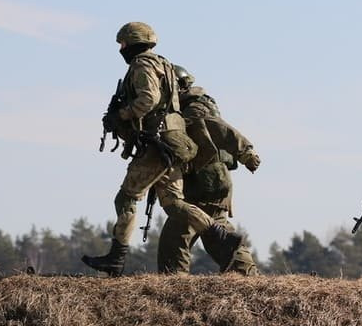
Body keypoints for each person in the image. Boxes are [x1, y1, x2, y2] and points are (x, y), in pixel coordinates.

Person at [82, 22, 244, 277]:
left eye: (122, 44)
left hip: (158, 144)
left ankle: (116, 257)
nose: (121, 49)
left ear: (133, 42)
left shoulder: (142, 64)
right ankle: (221, 237)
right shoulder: (164, 64)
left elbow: (149, 99)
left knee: (126, 198)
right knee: (174, 204)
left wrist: (122, 114)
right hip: (174, 142)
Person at [157, 65, 260, 275]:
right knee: (217, 231)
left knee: (176, 236)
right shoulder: (183, 108)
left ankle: (173, 282)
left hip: (206, 182)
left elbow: (220, 128)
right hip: (211, 181)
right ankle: (248, 276)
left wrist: (246, 152)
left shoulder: (194, 109)